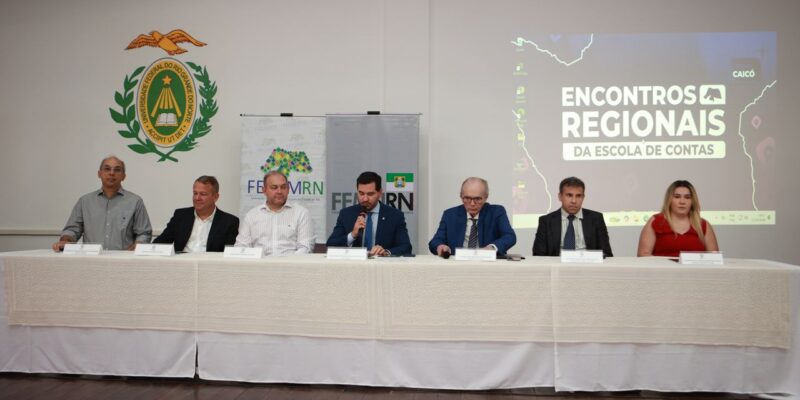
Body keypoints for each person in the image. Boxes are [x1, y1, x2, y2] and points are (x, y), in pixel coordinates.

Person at [52, 156, 152, 251]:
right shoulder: (85, 201)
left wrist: (139, 244)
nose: (112, 173)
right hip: (90, 259)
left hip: (122, 260)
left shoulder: (135, 201)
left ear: (123, 176)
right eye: (107, 169)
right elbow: (72, 230)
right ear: (99, 174)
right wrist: (66, 240)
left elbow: (144, 233)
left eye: (117, 170)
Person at [326, 171, 412, 256]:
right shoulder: (346, 214)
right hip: (354, 263)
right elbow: (330, 245)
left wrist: (386, 252)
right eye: (361, 193)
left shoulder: (395, 216)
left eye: (370, 194)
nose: (365, 199)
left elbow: (406, 247)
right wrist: (352, 235)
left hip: (381, 264)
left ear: (380, 192)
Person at [428, 177, 516, 257]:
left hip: (487, 264)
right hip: (457, 264)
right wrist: (441, 246)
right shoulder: (450, 215)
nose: (472, 203)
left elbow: (510, 236)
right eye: (467, 198)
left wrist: (492, 248)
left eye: (477, 199)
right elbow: (435, 241)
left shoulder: (496, 212)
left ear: (486, 197)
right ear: (461, 196)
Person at [235, 171, 315, 255]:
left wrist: (287, 262)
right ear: (264, 190)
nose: (279, 191)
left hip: (291, 262)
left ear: (288, 190)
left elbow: (306, 248)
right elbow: (241, 247)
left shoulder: (301, 213)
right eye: (274, 187)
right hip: (260, 262)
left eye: (283, 187)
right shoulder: (251, 215)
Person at [152, 176, 239, 252]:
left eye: (203, 194)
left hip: (209, 264)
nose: (197, 198)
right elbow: (159, 243)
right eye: (195, 193)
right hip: (181, 262)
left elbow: (228, 254)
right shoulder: (180, 216)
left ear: (216, 197)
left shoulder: (229, 222)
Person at [532, 176, 613, 257]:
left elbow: (606, 253)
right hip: (557, 264)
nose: (574, 201)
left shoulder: (596, 219)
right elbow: (539, 254)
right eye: (569, 195)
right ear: (560, 196)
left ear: (583, 197)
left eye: (578, 196)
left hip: (588, 263)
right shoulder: (546, 221)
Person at [637, 180, 719, 257]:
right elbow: (643, 255)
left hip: (695, 268)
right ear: (669, 200)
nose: (682, 202)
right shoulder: (656, 221)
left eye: (687, 197)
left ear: (692, 201)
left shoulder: (703, 225)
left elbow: (715, 258)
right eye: (677, 197)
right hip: (662, 268)